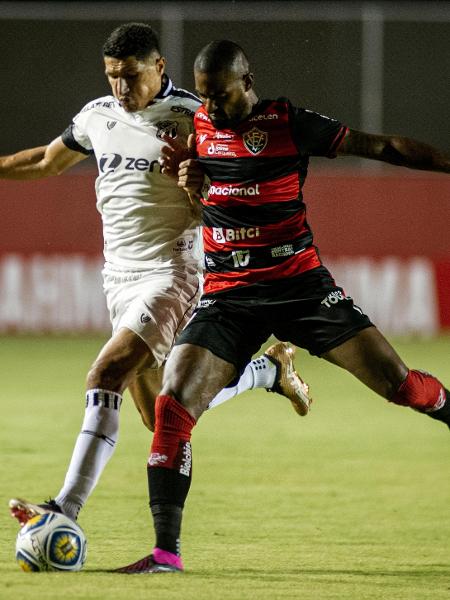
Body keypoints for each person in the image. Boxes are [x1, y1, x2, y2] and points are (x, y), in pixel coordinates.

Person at [114, 39, 450, 574]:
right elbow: (198, 179)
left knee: (402, 386)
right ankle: (164, 553)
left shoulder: (289, 123)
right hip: (230, 295)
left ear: (247, 82)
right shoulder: (199, 125)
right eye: (204, 97)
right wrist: (191, 178)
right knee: (172, 407)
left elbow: (383, 147)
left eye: (220, 96)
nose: (213, 108)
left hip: (302, 287)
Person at [5, 25, 311, 530]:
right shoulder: (97, 116)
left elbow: (235, 196)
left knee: (105, 375)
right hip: (118, 279)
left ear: (160, 68)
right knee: (161, 413)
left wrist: (198, 185)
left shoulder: (197, 119)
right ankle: (267, 372)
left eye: (130, 76)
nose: (120, 88)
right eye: (111, 77)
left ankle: (64, 509)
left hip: (173, 271)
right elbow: (44, 160)